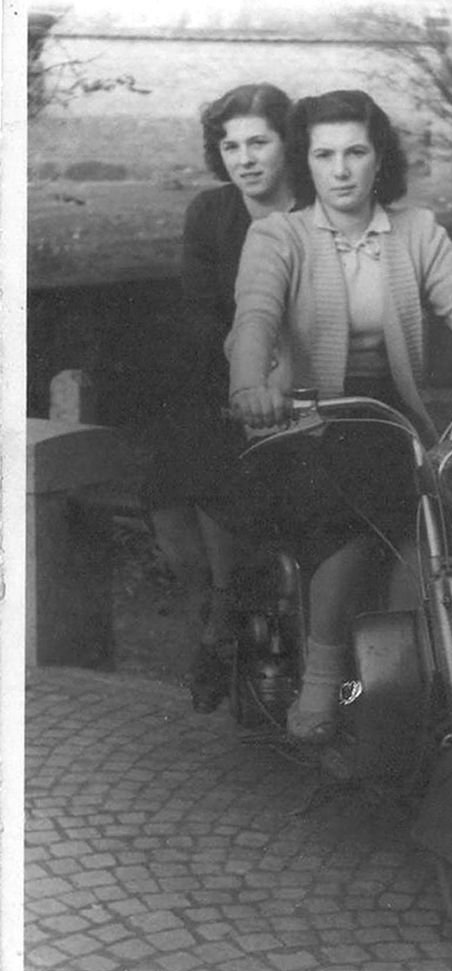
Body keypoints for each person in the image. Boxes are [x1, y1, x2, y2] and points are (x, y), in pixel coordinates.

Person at [225, 89, 452, 744]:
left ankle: (409, 681)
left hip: (388, 417)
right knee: (361, 501)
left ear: (377, 156)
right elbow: (255, 316)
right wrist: (251, 384)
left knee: (436, 520)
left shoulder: (417, 232)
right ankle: (324, 673)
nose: (340, 170)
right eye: (324, 154)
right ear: (305, 162)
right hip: (299, 420)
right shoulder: (278, 234)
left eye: (355, 151)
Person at [144, 82, 294, 713]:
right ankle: (214, 608)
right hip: (226, 373)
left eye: (259, 141)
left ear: (290, 143)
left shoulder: (315, 208)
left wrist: (268, 380)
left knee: (217, 464)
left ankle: (223, 621)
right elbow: (202, 310)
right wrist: (242, 375)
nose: (244, 158)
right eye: (230, 145)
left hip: (300, 379)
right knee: (166, 477)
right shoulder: (211, 213)